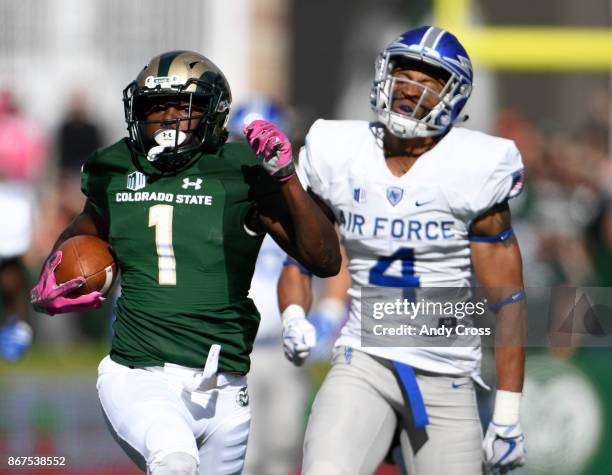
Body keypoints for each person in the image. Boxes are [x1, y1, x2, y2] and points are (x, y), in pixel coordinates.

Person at [30, 50, 340, 475]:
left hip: (225, 386)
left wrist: (286, 178)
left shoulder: (241, 171)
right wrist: (52, 280)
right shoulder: (117, 167)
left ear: (212, 115)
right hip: (140, 373)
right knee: (174, 461)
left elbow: (323, 259)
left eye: (183, 106)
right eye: (157, 106)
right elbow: (78, 236)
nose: (168, 117)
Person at [278, 26, 527, 474]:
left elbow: (508, 300)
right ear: (383, 75)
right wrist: (295, 315)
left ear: (454, 95)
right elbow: (305, 253)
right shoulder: (339, 151)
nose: (412, 87)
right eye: (404, 72)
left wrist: (507, 414)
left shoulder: (477, 167)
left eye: (430, 79)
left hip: (447, 371)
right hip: (363, 359)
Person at [227, 98, 349, 475]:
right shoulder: (219, 197)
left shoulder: (300, 199)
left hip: (283, 345)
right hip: (233, 347)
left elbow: (334, 254)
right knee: (238, 457)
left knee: (283, 451)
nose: (255, 158)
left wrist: (329, 313)